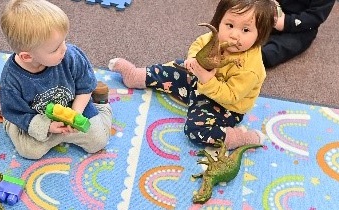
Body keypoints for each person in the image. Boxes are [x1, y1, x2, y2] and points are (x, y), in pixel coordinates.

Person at [107, 0, 277, 150]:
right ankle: (136, 75)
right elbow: (199, 43)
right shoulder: (216, 37)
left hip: (224, 106)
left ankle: (239, 138)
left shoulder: (251, 68)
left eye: (245, 30)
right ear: (219, 21)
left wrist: (207, 79)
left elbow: (231, 96)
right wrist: (193, 58)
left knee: (196, 130)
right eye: (229, 25)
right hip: (200, 81)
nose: (234, 34)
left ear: (260, 35)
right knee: (174, 67)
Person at [0, 0, 113, 160]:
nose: (64, 49)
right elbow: (17, 113)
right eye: (55, 48)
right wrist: (48, 126)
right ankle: (8, 119)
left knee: (98, 141)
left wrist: (75, 113)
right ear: (27, 56)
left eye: (64, 41)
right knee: (29, 151)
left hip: (73, 105)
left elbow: (84, 88)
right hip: (38, 118)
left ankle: (101, 103)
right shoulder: (12, 79)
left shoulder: (70, 56)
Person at [263, 0, 335, 68]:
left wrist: (286, 22)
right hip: (273, 11)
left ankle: (260, 58)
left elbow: (315, 16)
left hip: (302, 27)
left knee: (275, 51)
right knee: (254, 22)